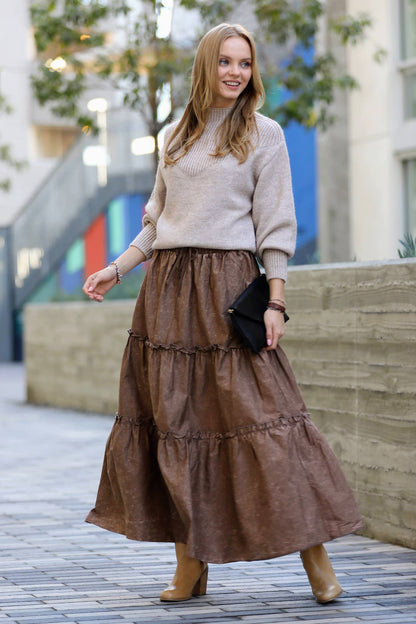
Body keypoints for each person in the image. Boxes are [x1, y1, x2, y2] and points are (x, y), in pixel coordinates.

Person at [83, 23, 362, 604]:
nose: (236, 72)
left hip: (230, 292)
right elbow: (157, 223)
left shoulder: (264, 134)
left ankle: (316, 561)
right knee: (175, 427)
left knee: (270, 422)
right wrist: (117, 267)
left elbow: (276, 226)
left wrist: (277, 300)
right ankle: (191, 565)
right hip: (166, 294)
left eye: (245, 63)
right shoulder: (176, 136)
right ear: (206, 66)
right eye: (225, 62)